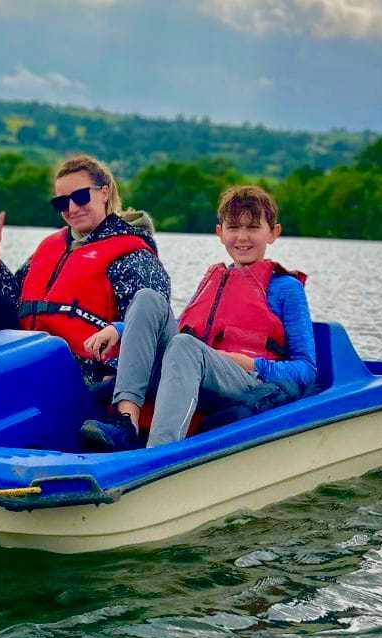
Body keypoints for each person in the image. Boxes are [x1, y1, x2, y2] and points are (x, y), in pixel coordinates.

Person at [80, 183, 317, 450]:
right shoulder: (212, 281)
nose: (242, 237)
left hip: (246, 382)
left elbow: (307, 370)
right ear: (220, 232)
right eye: (233, 228)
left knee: (184, 345)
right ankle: (126, 424)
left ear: (273, 233)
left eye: (252, 228)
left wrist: (252, 364)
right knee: (147, 298)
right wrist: (120, 330)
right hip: (194, 372)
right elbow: (182, 328)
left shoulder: (286, 289)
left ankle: (158, 451)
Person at [0, 153, 171, 383]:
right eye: (62, 202)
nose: (72, 208)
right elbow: (16, 303)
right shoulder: (51, 246)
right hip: (27, 349)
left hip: (81, 368)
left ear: (104, 192)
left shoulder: (133, 254)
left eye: (81, 197)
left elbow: (150, 323)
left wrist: (112, 376)